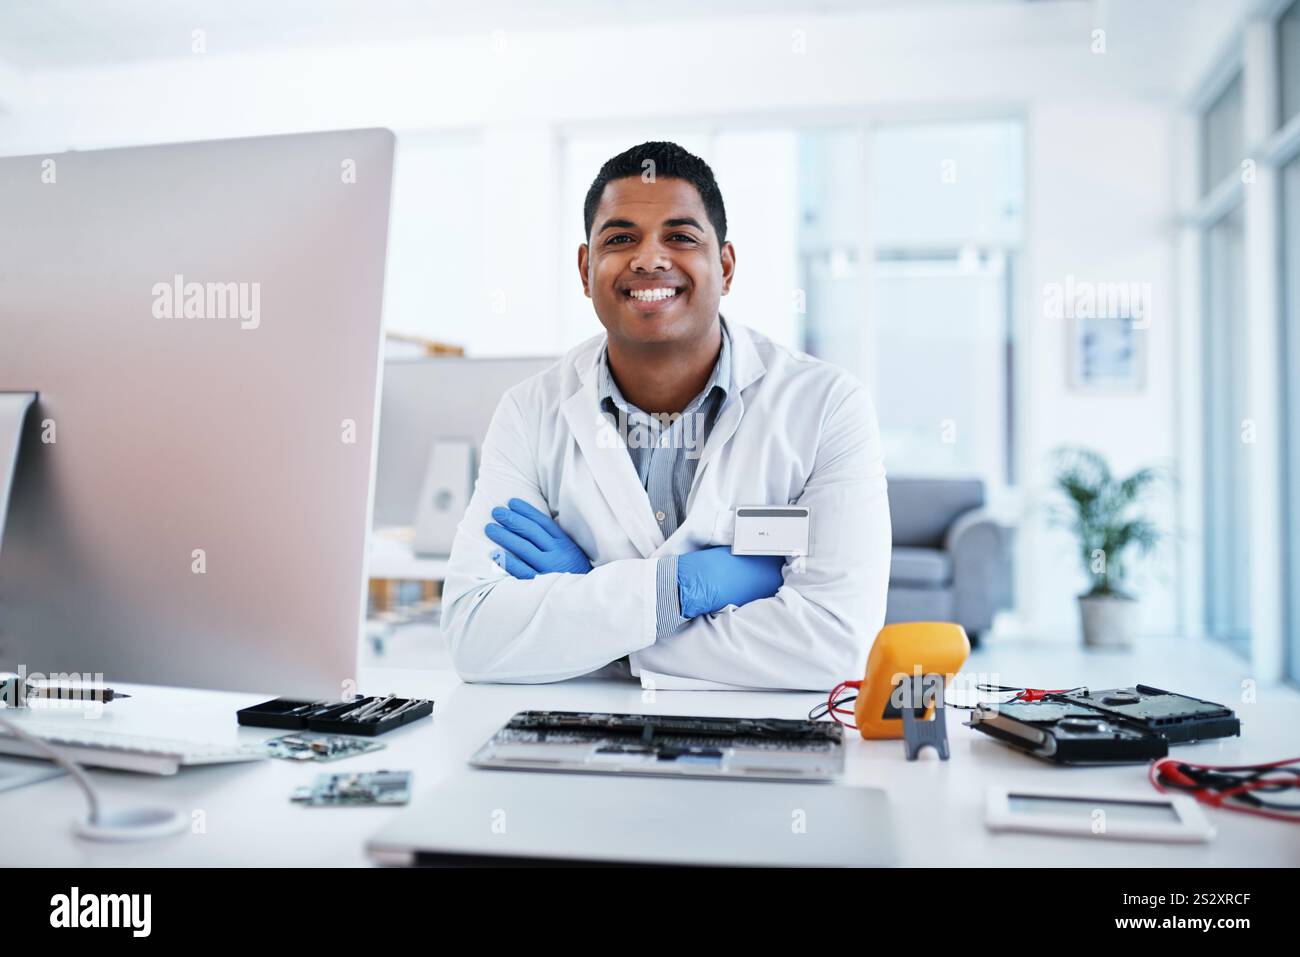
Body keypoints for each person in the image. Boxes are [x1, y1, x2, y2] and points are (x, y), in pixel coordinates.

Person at [440, 141, 890, 690]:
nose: (649, 259)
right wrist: (680, 589)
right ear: (586, 270)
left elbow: (834, 644)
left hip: (760, 741)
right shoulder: (529, 412)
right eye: (621, 238)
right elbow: (475, 634)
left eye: (679, 237)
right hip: (588, 734)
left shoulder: (826, 406)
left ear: (724, 266)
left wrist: (595, 606)